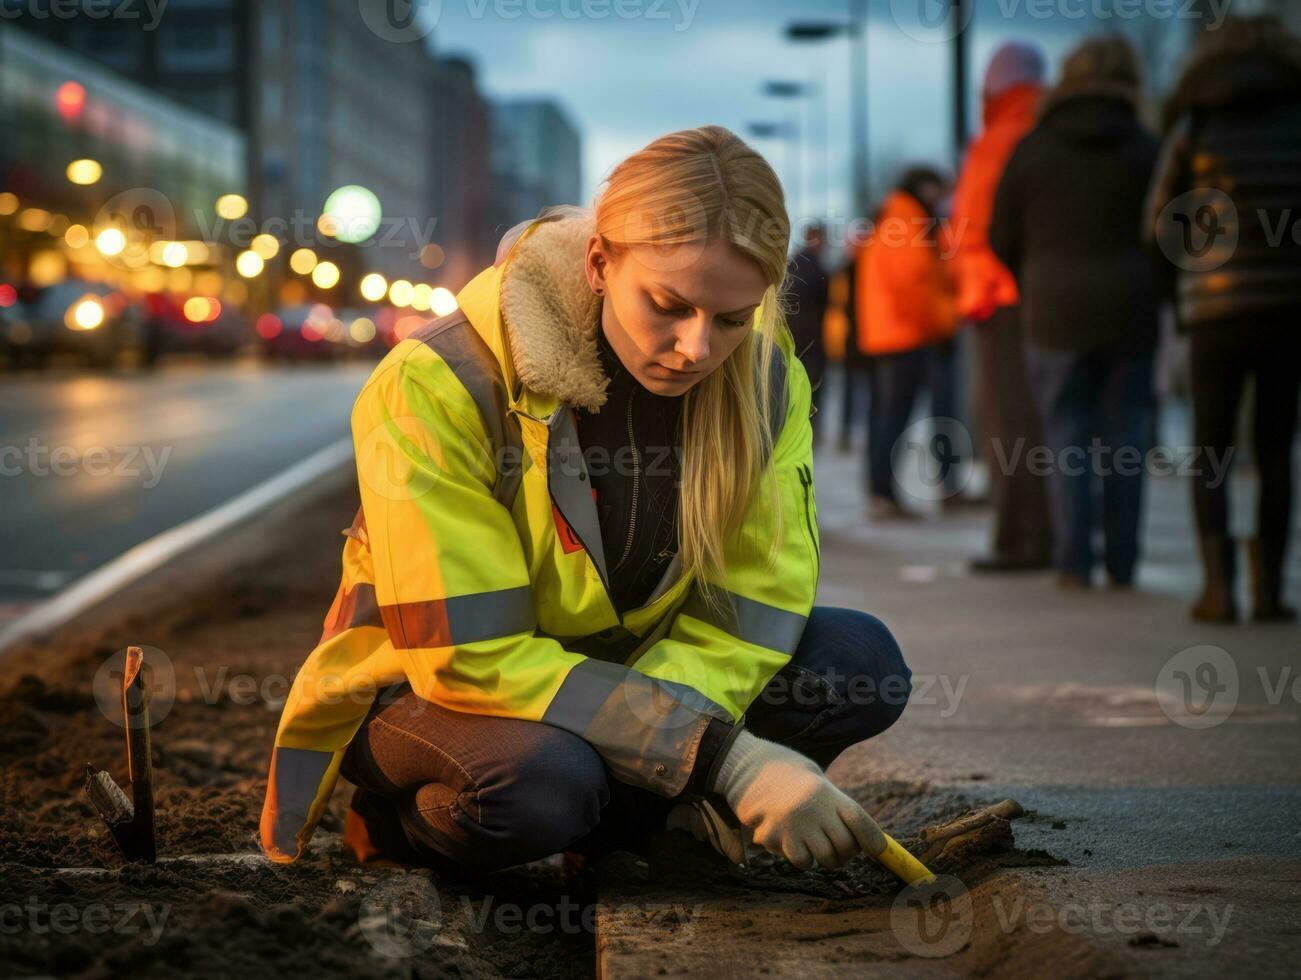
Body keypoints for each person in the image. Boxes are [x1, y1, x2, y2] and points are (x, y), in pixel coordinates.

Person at [259, 126, 914, 877]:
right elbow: (467, 654)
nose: (697, 349)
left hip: (625, 673)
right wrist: (719, 760)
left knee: (859, 663)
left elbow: (751, 613)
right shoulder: (439, 383)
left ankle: (635, 829)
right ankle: (402, 826)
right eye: (668, 305)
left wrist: (675, 739)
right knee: (541, 787)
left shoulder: (766, 389)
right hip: (432, 688)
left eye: (733, 319)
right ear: (599, 262)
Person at [990, 36, 1162, 590]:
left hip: (1054, 310)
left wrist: (1036, 275)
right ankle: (1123, 561)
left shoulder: (1033, 147)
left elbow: (1000, 234)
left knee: (1066, 436)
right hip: (1131, 310)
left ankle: (1072, 562)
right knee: (1126, 437)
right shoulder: (1147, 147)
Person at [1145, 16, 1301, 622]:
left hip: (1214, 311)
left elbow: (1157, 223)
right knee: (1275, 445)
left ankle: (1217, 588)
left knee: (1211, 449)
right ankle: (1269, 589)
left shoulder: (1196, 125)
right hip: (1289, 308)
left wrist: (1178, 293)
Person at [951, 40, 1053, 572]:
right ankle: (1042, 535)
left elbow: (986, 229)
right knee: (1037, 421)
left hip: (998, 297)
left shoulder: (1002, 137)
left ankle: (1021, 539)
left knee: (1010, 422)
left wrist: (982, 285)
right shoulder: (1038, 128)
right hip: (1021, 294)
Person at [855, 166, 957, 521]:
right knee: (894, 417)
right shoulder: (907, 222)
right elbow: (915, 285)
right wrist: (944, 325)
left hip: (885, 334)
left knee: (885, 415)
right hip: (906, 335)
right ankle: (884, 493)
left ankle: (881, 490)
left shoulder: (889, 218)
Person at [786, 222, 830, 444]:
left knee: (795, 386)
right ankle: (808, 430)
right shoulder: (816, 268)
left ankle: (798, 429)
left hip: (792, 337)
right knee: (811, 386)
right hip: (811, 338)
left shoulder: (793, 264)